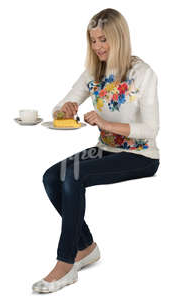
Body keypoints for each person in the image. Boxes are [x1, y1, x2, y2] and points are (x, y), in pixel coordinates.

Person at [32, 8, 160, 293]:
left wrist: (104, 122)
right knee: (52, 177)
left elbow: (151, 129)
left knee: (74, 176)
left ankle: (65, 265)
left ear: (119, 38)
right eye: (93, 41)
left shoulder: (142, 73)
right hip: (106, 149)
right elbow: (65, 102)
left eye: (103, 40)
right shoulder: (95, 71)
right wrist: (65, 108)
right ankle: (86, 247)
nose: (98, 47)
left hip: (140, 155)